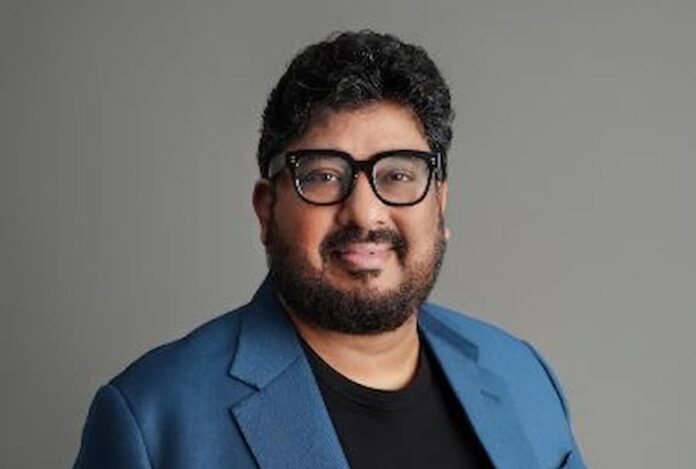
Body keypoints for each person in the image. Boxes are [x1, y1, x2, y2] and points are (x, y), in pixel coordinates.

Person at [74, 30, 586, 469]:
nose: (364, 213)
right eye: (323, 176)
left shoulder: (522, 376)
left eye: (398, 175)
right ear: (267, 209)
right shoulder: (152, 420)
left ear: (440, 206)